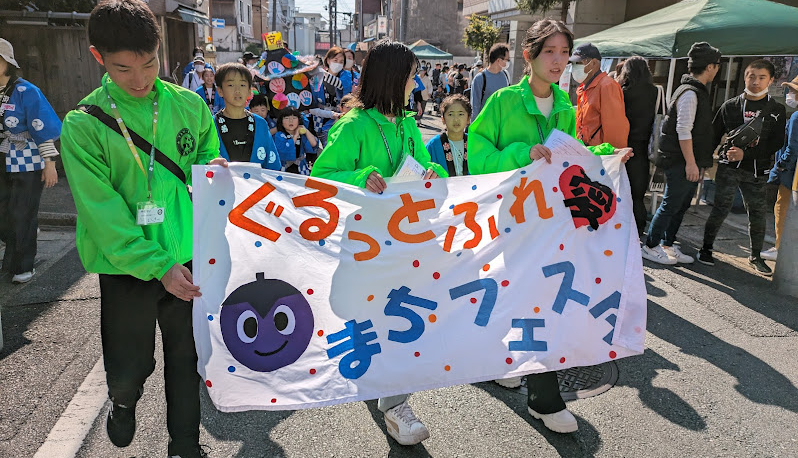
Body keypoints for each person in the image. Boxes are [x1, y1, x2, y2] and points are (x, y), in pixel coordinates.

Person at [59, 1, 226, 456]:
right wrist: (160, 267)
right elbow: (105, 218)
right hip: (127, 265)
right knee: (132, 361)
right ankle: (123, 398)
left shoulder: (189, 105)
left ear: (161, 50)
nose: (139, 79)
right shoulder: (83, 126)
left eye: (149, 63)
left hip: (188, 256)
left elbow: (206, 160)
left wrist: (213, 167)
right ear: (98, 58)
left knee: (186, 359)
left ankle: (185, 445)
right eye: (123, 68)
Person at [469, 18, 629, 434]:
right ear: (529, 56)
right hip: (511, 217)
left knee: (541, 297)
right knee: (517, 291)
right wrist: (523, 153)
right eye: (549, 52)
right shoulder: (503, 100)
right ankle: (521, 373)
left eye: (564, 53)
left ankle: (541, 394)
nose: (558, 61)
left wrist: (608, 155)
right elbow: (477, 153)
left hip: (552, 221)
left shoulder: (565, 105)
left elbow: (575, 156)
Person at [311, 40, 447, 446]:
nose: (416, 83)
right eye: (410, 76)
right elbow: (322, 176)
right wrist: (360, 177)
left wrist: (433, 172)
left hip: (405, 242)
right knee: (373, 320)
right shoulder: (352, 126)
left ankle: (395, 405)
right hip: (366, 244)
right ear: (392, 79)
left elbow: (424, 164)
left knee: (398, 319)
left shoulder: (407, 123)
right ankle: (384, 389)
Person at [697, 59, 787, 275]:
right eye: (751, 76)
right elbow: (713, 135)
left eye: (761, 77)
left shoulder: (776, 110)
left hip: (758, 171)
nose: (755, 81)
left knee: (757, 213)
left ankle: (755, 256)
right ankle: (706, 248)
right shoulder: (730, 106)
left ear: (771, 80)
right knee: (720, 209)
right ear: (745, 77)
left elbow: (775, 144)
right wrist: (704, 163)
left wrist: (746, 154)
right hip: (729, 168)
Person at [641, 42, 721, 266]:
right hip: (681, 160)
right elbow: (683, 130)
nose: (717, 70)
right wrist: (691, 163)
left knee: (681, 204)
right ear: (710, 67)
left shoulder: (692, 90)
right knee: (671, 204)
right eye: (717, 65)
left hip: (686, 160)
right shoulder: (690, 93)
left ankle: (667, 244)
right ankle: (650, 245)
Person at [0, 38, 61, 284]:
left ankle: (23, 264)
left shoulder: (27, 91)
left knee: (22, 213)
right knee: (6, 215)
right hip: (1, 159)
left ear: (7, 63)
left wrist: (50, 163)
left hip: (25, 158)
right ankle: (22, 238)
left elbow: (41, 126)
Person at [618, 56, 658, 237]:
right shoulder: (655, 92)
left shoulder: (622, 92)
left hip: (622, 146)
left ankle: (622, 228)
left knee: (621, 192)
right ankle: (639, 228)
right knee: (638, 194)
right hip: (644, 146)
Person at [214, 63, 280, 169]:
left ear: (250, 91)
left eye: (243, 85)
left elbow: (272, 165)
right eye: (230, 85)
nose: (237, 91)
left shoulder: (260, 123)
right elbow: (203, 161)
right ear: (220, 90)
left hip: (257, 185)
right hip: (223, 184)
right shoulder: (211, 125)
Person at [764, 75, 798, 261]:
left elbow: (792, 148)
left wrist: (779, 167)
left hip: (791, 174)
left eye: (793, 91)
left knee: (782, 208)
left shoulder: (796, 117)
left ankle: (780, 248)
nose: (789, 94)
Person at [570, 43, 629, 148]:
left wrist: (612, 157)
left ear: (593, 63)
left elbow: (615, 128)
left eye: (578, 63)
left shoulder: (607, 86)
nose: (574, 67)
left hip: (601, 156)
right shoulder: (585, 87)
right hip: (588, 152)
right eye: (573, 63)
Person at [426, 95, 471, 176]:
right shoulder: (434, 145)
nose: (456, 119)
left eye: (461, 114)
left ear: (468, 118)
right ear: (443, 119)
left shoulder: (474, 143)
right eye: (450, 114)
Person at [470, 43, 511, 122]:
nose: (508, 62)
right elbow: (475, 107)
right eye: (507, 60)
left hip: (501, 124)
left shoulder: (506, 75)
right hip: (485, 125)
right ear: (498, 60)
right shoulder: (480, 78)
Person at [273, 107, 318, 174]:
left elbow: (313, 144)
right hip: (285, 168)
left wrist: (305, 130)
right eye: (287, 118)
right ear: (281, 122)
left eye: (294, 118)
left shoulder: (302, 135)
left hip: (301, 167)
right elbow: (284, 151)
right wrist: (296, 135)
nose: (291, 121)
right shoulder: (279, 135)